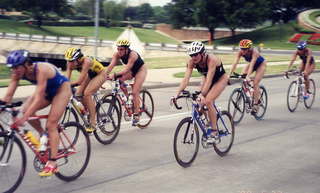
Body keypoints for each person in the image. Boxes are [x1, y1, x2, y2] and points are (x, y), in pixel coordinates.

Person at [0, 49, 71, 177]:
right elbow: (8, 95)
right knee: (25, 110)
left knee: (51, 125)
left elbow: (38, 98)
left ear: (27, 64)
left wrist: (24, 118)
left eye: (17, 67)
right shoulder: (16, 73)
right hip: (46, 92)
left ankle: (52, 163)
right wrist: (2, 105)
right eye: (12, 68)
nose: (14, 71)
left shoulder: (41, 70)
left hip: (61, 90)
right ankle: (43, 134)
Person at [174, 41, 228, 143]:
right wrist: (176, 94)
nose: (193, 57)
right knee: (197, 102)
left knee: (207, 101)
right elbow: (186, 79)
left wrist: (202, 95)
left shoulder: (212, 60)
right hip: (206, 78)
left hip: (220, 79)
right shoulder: (191, 62)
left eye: (195, 54)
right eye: (191, 55)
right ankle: (208, 121)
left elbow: (209, 80)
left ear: (202, 53)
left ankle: (214, 132)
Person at [64, 48, 108, 132]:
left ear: (78, 59)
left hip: (100, 74)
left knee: (87, 93)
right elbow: (66, 79)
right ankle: (89, 110)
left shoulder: (86, 62)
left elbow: (79, 81)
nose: (69, 63)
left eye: (71, 61)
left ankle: (93, 123)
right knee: (78, 95)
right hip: (90, 75)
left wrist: (68, 85)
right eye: (68, 61)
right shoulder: (70, 64)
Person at [106, 39, 147, 126]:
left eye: (121, 49)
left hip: (140, 70)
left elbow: (125, 70)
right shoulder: (117, 54)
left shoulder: (133, 55)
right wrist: (104, 75)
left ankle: (136, 115)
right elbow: (111, 65)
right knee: (120, 80)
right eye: (118, 49)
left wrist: (114, 74)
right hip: (131, 71)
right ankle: (128, 99)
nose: (119, 51)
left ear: (126, 49)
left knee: (135, 91)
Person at [229, 39, 267, 113]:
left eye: (244, 49)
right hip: (251, 64)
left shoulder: (254, 52)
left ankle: (257, 103)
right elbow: (235, 63)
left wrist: (248, 76)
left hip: (261, 64)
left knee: (255, 82)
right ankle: (250, 91)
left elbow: (252, 64)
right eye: (241, 49)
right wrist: (229, 74)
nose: (242, 51)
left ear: (249, 48)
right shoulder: (240, 52)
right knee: (242, 76)